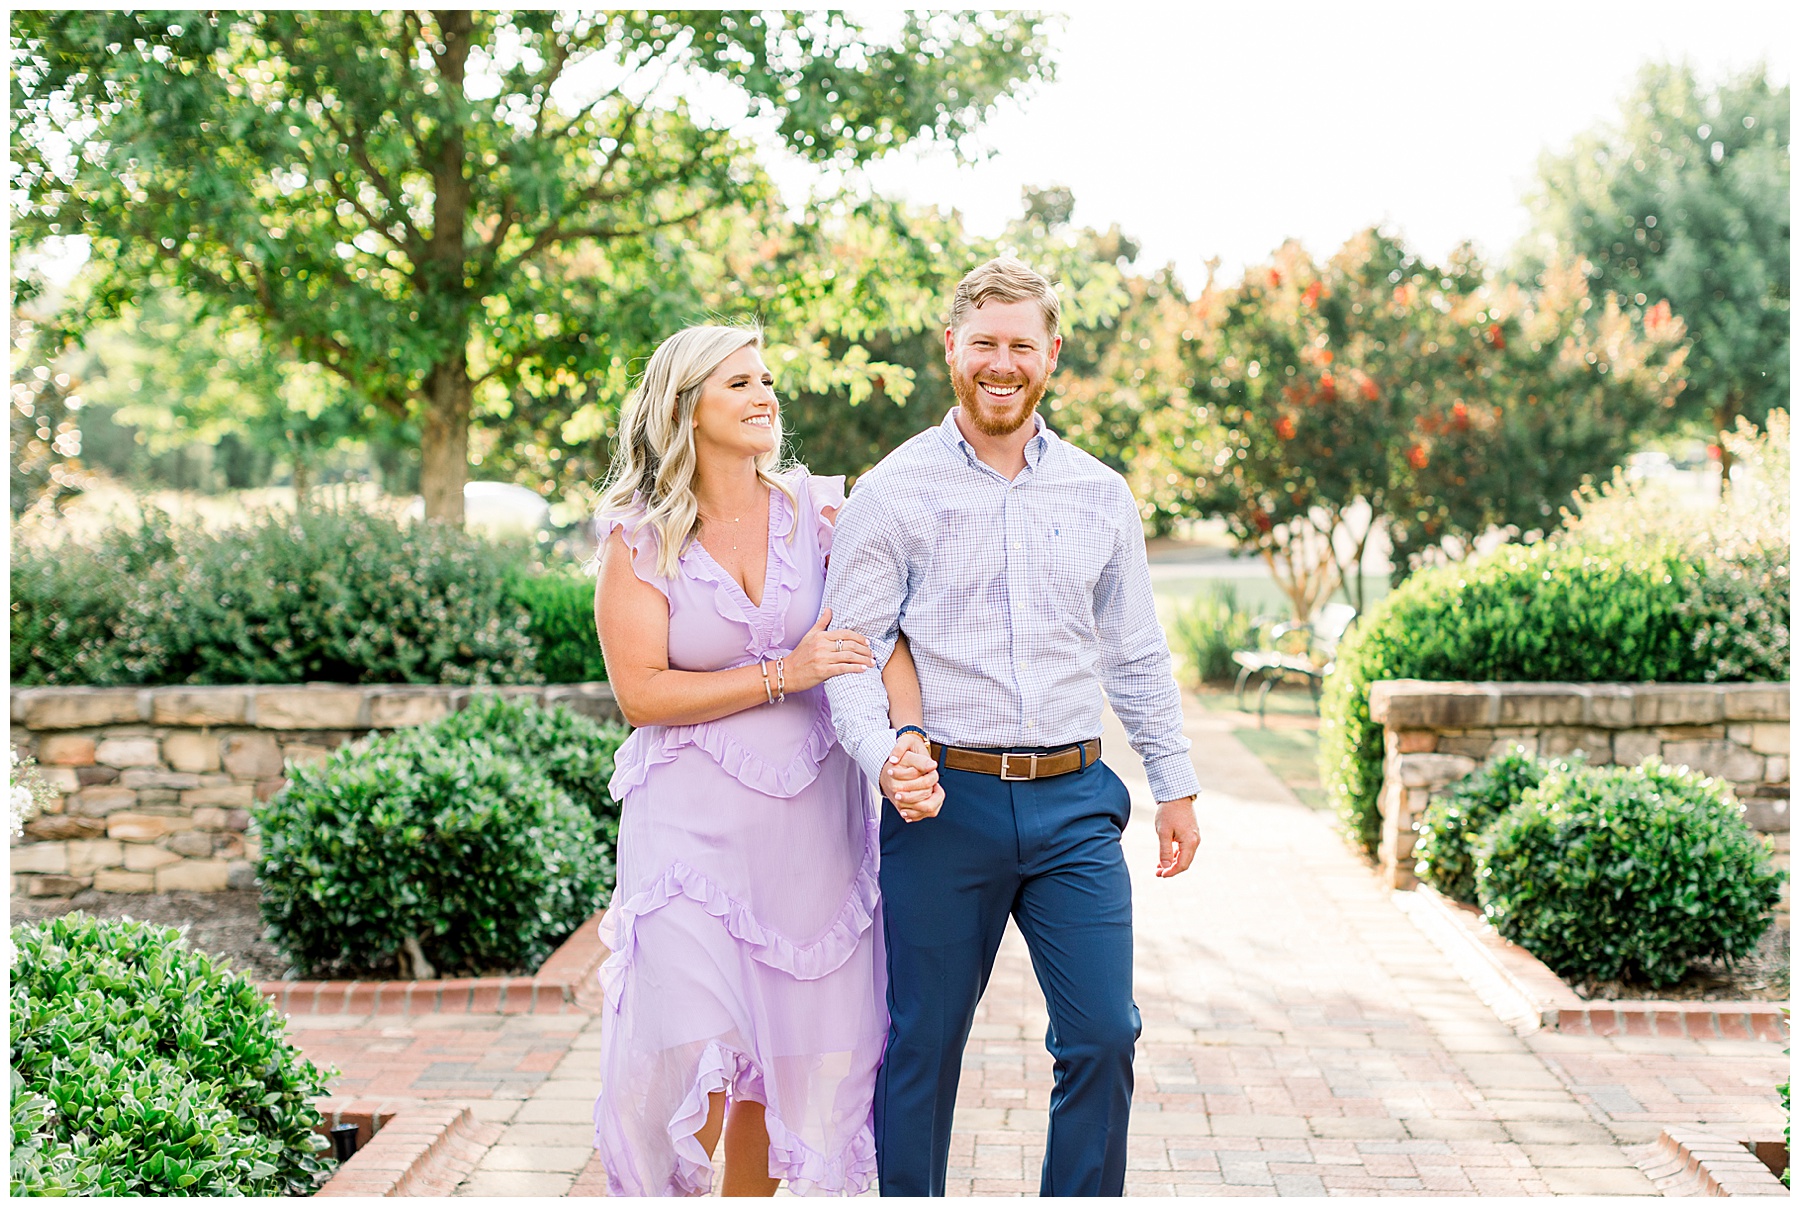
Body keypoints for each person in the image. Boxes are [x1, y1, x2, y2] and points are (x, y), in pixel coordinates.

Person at [822, 258, 1204, 1197]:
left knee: (1106, 1033)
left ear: (1052, 354)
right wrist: (883, 758)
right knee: (923, 1042)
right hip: (945, 805)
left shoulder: (1100, 493)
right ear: (951, 346)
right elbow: (849, 654)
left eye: (1021, 345)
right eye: (984, 342)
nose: (1002, 362)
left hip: (1077, 801)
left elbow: (1137, 651)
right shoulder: (894, 490)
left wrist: (1176, 784)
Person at [589, 324, 941, 1197]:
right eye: (738, 382)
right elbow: (642, 694)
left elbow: (877, 640)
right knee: (692, 1044)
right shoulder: (638, 542)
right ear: (686, 409)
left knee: (785, 1060)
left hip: (813, 831)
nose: (764, 395)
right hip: (689, 834)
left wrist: (907, 737)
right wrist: (784, 672)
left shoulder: (822, 514)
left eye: (766, 379)